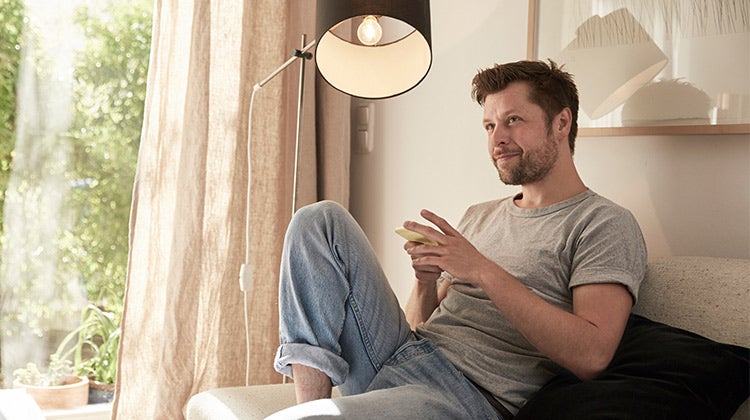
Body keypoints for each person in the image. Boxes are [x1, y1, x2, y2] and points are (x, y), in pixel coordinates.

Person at [269, 60, 647, 419]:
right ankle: (310, 405)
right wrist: (426, 281)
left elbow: (592, 356)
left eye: (513, 120)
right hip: (407, 357)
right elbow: (420, 325)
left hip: (467, 395)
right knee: (320, 219)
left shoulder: (602, 223)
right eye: (489, 126)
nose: (498, 139)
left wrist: (481, 269)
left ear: (561, 123)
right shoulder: (481, 215)